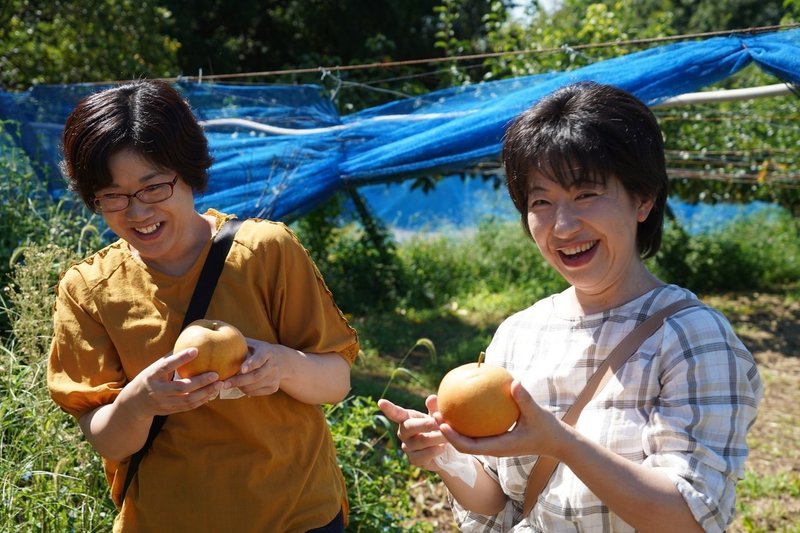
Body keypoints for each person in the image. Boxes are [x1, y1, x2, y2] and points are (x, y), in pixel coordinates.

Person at [378, 81, 763, 532]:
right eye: (541, 201)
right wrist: (447, 456)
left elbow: (689, 517)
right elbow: (500, 504)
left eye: (585, 195)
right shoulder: (521, 332)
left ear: (643, 198)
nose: (562, 226)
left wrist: (561, 443)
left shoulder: (691, 338)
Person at [47, 79, 359, 532]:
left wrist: (283, 366)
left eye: (153, 187)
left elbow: (336, 379)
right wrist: (139, 403)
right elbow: (107, 438)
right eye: (112, 196)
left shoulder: (265, 252)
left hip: (297, 515)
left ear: (190, 173)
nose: (136, 213)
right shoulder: (88, 289)